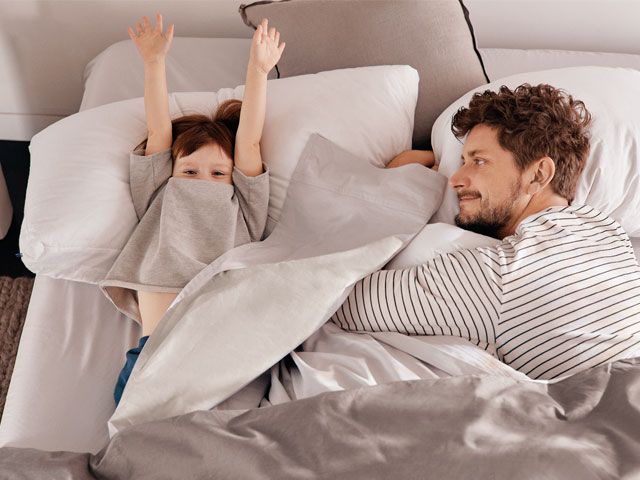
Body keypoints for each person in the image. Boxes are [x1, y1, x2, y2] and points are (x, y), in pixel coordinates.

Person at [331, 83, 640, 380]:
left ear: (538, 174)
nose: (455, 179)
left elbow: (335, 301)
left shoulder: (497, 275)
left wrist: (395, 182)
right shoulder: (609, 233)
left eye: (478, 161)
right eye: (463, 160)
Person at [99, 14, 285, 406]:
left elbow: (249, 142)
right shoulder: (160, 191)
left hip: (222, 342)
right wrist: (154, 63)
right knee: (133, 427)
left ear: (234, 176)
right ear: (171, 170)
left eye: (218, 172)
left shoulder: (243, 202)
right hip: (157, 348)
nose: (202, 178)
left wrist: (258, 70)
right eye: (190, 170)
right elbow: (159, 132)